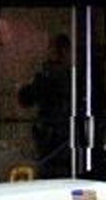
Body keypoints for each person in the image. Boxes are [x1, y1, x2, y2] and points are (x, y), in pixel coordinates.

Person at [19, 34, 73, 177]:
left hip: (52, 136)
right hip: (62, 135)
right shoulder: (70, 75)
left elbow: (25, 99)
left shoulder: (48, 75)